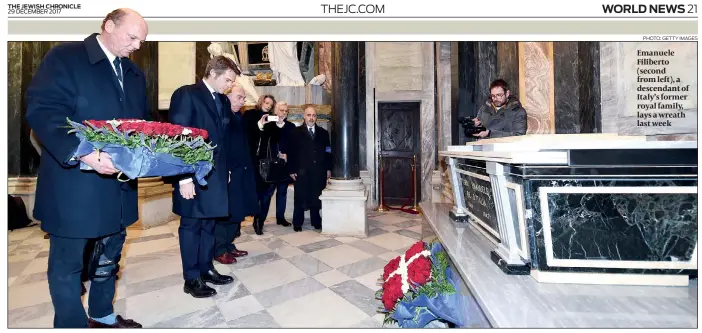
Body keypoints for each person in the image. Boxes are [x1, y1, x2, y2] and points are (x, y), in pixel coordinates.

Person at [25, 8, 148, 328]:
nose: (137, 46)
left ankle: (102, 314)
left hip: (119, 185)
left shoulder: (134, 74)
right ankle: (71, 323)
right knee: (67, 265)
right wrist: (85, 153)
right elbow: (44, 112)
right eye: (132, 37)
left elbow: (140, 126)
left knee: (110, 257)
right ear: (108, 26)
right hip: (75, 184)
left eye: (141, 40)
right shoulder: (65, 58)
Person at [169, 55, 239, 298]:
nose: (229, 85)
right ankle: (191, 278)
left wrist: (225, 169)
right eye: (227, 80)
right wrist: (184, 177)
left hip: (214, 175)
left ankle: (206, 268)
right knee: (191, 225)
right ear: (213, 73)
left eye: (232, 81)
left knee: (209, 224)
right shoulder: (187, 94)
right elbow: (179, 137)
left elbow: (221, 140)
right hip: (192, 174)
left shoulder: (220, 99)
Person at [213, 85, 260, 264]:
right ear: (227, 97)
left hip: (242, 170)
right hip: (230, 171)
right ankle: (219, 249)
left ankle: (229, 244)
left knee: (237, 210)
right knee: (226, 212)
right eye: (239, 97)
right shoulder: (222, 116)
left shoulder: (238, 117)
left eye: (243, 98)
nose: (242, 101)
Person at [286, 106, 332, 232]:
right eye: (309, 115)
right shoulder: (295, 133)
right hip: (302, 171)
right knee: (300, 197)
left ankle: (316, 221)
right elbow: (291, 153)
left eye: (314, 115)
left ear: (316, 117)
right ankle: (297, 223)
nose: (311, 118)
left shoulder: (323, 133)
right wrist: (291, 170)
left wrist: (328, 169)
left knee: (317, 196)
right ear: (304, 116)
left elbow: (328, 151)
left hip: (319, 171)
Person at [254, 101, 296, 234]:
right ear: (276, 111)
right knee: (267, 194)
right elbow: (261, 142)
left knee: (282, 192)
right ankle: (259, 220)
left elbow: (294, 147)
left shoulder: (291, 127)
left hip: (284, 166)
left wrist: (288, 155)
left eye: (286, 111)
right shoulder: (269, 126)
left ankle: (280, 217)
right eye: (282, 110)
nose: (284, 113)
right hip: (270, 166)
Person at [242, 94, 276, 232]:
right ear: (261, 101)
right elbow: (246, 134)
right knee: (254, 192)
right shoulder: (250, 114)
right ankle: (249, 217)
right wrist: (259, 125)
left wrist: (279, 126)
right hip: (251, 160)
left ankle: (259, 221)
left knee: (266, 193)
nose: (268, 105)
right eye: (266, 102)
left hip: (266, 161)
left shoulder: (272, 120)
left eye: (271, 104)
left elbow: (274, 141)